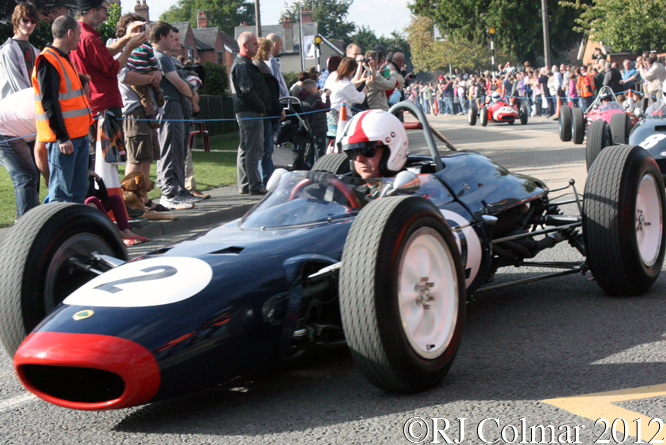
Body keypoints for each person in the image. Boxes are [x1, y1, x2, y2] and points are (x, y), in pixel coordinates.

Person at [69, 0, 146, 162]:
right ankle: (103, 188)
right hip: (103, 107)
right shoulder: (88, 37)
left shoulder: (80, 33)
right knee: (106, 160)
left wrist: (127, 37)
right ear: (91, 10)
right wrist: (130, 47)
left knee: (100, 158)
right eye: (104, 10)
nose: (106, 15)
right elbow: (113, 69)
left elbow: (105, 53)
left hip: (93, 105)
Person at [32, 15, 94, 204]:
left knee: (77, 191)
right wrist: (62, 136)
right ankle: (58, 232)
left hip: (77, 136)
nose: (79, 38)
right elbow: (49, 102)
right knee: (60, 193)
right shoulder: (49, 60)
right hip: (65, 139)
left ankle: (74, 231)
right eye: (78, 34)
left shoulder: (62, 58)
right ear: (69, 33)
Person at [151, 22, 200, 209]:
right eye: (171, 37)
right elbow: (179, 83)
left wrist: (191, 94)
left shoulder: (169, 58)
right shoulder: (160, 58)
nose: (175, 41)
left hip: (179, 106)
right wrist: (191, 93)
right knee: (170, 149)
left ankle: (178, 190)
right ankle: (169, 193)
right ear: (162, 36)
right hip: (169, 105)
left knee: (178, 149)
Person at [231, 32, 271, 195]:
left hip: (246, 110)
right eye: (254, 43)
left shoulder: (243, 64)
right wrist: (260, 107)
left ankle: (245, 183)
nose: (258, 46)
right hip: (250, 111)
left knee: (245, 147)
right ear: (245, 45)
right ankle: (254, 184)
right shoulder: (242, 65)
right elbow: (247, 90)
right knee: (253, 149)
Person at [106, 18, 164, 128]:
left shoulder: (145, 48)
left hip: (146, 111)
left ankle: (156, 102)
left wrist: (157, 72)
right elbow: (125, 77)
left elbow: (156, 67)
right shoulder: (118, 49)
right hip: (133, 111)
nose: (146, 37)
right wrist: (151, 78)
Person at [0, 86, 40, 218]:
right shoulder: (48, 103)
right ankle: (27, 224)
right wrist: (48, 176)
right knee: (26, 175)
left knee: (29, 174)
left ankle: (23, 219)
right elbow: (41, 150)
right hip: (4, 129)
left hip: (12, 125)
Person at [339, 109, 408, 180]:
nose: (359, 159)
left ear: (392, 149)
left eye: (367, 150)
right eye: (352, 152)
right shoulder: (347, 188)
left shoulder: (413, 188)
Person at [85, 170, 149, 245]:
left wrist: (98, 179)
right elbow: (89, 195)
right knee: (92, 199)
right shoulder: (73, 177)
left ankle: (127, 231)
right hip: (82, 210)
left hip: (93, 209)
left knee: (115, 198)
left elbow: (104, 197)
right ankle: (119, 235)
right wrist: (90, 179)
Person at [253, 37, 285, 185]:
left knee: (266, 148)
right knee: (266, 148)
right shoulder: (262, 66)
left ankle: (266, 177)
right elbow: (270, 92)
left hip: (267, 111)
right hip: (266, 112)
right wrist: (279, 108)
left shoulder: (258, 65)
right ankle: (267, 179)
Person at [0, 3, 40, 100]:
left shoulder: (35, 50)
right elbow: (16, 82)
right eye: (25, 20)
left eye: (33, 21)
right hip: (13, 105)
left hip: (31, 104)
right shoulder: (8, 48)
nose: (29, 25)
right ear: (16, 20)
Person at [327, 57, 369, 138]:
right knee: (341, 138)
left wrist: (361, 80)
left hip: (331, 112)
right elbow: (359, 99)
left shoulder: (333, 76)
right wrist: (367, 85)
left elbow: (348, 89)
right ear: (351, 70)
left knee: (332, 138)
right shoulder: (346, 84)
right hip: (341, 115)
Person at [298, 78, 331, 160]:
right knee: (320, 150)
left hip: (309, 127)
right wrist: (327, 96)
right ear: (313, 89)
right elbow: (326, 108)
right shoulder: (316, 100)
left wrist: (318, 95)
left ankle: (310, 166)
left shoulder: (303, 98)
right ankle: (319, 167)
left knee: (310, 150)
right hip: (319, 128)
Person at [265, 33, 289, 98]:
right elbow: (275, 83)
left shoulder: (263, 60)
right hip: (280, 100)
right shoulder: (271, 60)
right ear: (275, 44)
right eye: (281, 44)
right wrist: (286, 97)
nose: (281, 48)